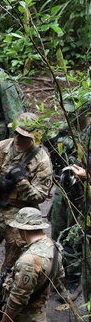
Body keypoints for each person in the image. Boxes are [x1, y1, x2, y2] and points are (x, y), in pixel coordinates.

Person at [0, 113, 53, 278]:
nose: (17, 138)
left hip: (20, 218)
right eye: (16, 133)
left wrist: (23, 183)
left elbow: (40, 196)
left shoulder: (42, 161)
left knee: (12, 267)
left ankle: (3, 299)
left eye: (23, 135)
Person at [47, 96, 89, 302]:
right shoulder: (64, 130)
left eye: (75, 113)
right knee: (56, 230)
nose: (71, 117)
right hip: (63, 188)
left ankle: (73, 280)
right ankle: (58, 275)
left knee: (74, 237)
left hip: (81, 193)